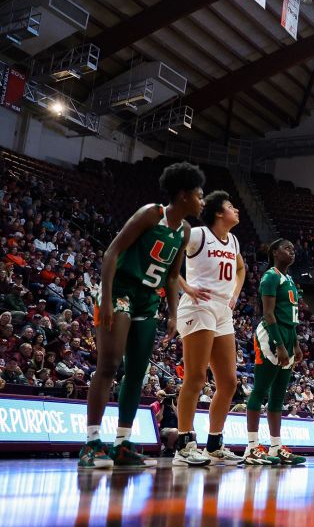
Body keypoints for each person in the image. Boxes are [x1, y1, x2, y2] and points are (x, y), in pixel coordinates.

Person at [79, 163, 205, 469]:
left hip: (148, 301)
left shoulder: (185, 231)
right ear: (184, 195)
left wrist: (173, 315)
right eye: (199, 196)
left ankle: (122, 444)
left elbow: (173, 277)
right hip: (120, 291)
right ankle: (92, 443)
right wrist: (106, 298)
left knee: (136, 373)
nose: (202, 201)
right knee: (109, 365)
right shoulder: (152, 213)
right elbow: (111, 251)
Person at [174, 191, 247, 466]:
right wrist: (186, 287)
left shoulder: (234, 241)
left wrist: (235, 294)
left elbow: (241, 269)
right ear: (219, 213)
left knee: (229, 382)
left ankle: (214, 444)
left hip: (222, 311)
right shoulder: (199, 235)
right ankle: (184, 443)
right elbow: (170, 255)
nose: (236, 209)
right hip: (198, 307)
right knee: (195, 378)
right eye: (231, 206)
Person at [243, 239, 306, 466]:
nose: (292, 251)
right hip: (271, 335)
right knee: (260, 390)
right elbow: (268, 314)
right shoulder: (270, 276)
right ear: (274, 252)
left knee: (278, 396)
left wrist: (295, 344)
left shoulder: (288, 279)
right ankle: (251, 448)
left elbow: (290, 318)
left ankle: (276, 447)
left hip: (288, 335)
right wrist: (279, 344)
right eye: (287, 248)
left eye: (293, 247)